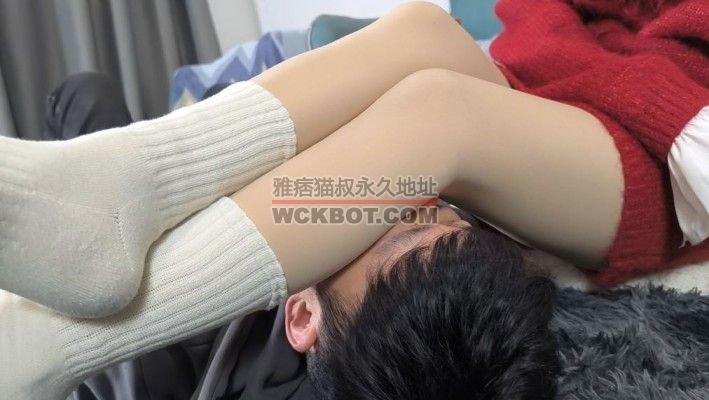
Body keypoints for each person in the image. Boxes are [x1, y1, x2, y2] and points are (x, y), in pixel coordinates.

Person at [0, 1, 706, 398]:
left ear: (300, 314)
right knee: (427, 31)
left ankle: (65, 331)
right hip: (580, 104)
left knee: (437, 108)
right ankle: (119, 188)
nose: (409, 200)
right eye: (437, 211)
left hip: (672, 148)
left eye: (393, 223)